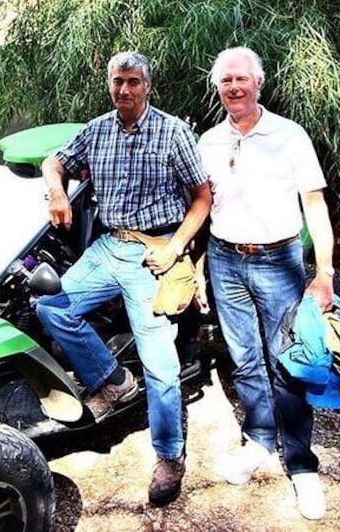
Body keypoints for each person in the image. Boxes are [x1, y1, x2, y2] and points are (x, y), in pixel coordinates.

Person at [36, 51, 211, 506]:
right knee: (50, 305)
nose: (125, 90)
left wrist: (175, 248)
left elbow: (202, 199)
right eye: (118, 81)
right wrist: (57, 191)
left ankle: (170, 456)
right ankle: (112, 381)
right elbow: (53, 162)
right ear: (109, 84)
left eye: (133, 82)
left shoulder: (173, 132)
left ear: (147, 86)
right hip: (109, 246)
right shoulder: (96, 130)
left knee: (161, 364)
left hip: (155, 251)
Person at [196, 46, 334, 520]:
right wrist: (198, 267)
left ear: (258, 83)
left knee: (287, 361)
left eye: (241, 79)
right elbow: (203, 205)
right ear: (218, 88)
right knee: (244, 359)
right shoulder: (209, 140)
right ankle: (258, 438)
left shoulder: (289, 136)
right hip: (224, 260)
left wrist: (325, 272)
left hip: (279, 260)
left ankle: (301, 463)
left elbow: (314, 205)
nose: (233, 87)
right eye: (225, 81)